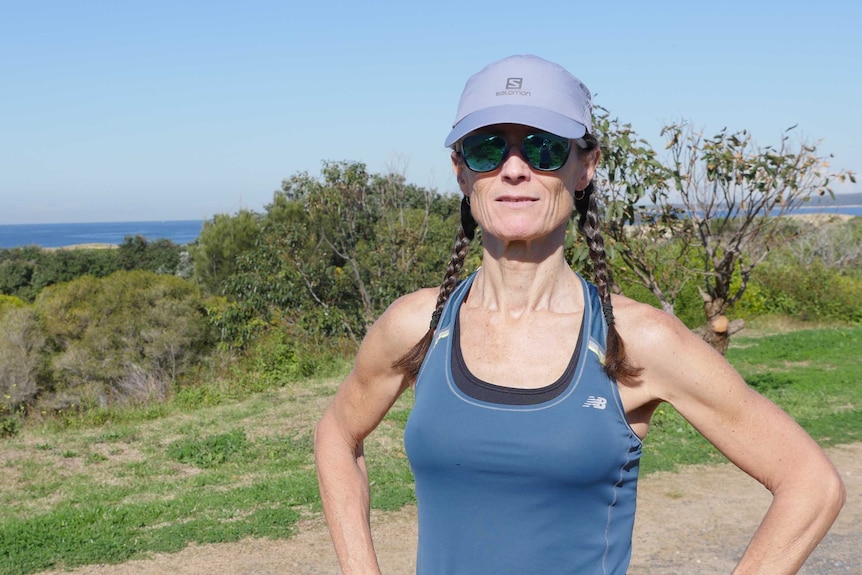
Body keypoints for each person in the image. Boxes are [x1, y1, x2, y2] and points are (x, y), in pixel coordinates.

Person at [314, 54, 845, 575]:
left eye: (544, 148)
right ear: (461, 171)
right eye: (487, 148)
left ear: (585, 167)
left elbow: (810, 483)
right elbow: (337, 434)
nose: (515, 169)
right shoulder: (420, 327)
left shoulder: (634, 341)